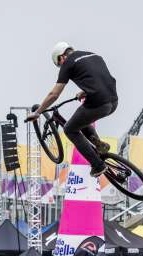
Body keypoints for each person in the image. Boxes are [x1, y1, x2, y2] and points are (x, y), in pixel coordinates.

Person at [26, 42, 117, 178]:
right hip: (113, 102)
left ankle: (98, 165)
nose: (61, 66)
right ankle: (99, 145)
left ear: (61, 57)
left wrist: (38, 112)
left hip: (98, 103)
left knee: (69, 129)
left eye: (59, 64)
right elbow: (100, 79)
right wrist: (85, 91)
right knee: (82, 119)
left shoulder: (68, 63)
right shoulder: (93, 55)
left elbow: (54, 95)